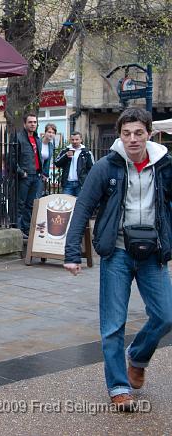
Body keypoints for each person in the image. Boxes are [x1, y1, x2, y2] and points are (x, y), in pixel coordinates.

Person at [64, 108, 172, 411]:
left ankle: (137, 358)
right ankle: (118, 387)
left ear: (148, 133)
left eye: (138, 133)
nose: (133, 139)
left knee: (166, 315)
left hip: (154, 254)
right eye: (127, 134)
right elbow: (83, 207)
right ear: (120, 135)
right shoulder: (106, 166)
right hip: (118, 253)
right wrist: (73, 253)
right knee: (113, 324)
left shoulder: (164, 166)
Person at [9, 112, 42, 237]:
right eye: (30, 122)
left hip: (35, 176)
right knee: (20, 204)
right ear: (24, 124)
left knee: (31, 205)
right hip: (25, 176)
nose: (33, 124)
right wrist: (21, 172)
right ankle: (18, 230)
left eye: (34, 122)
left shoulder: (37, 139)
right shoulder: (18, 137)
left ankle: (27, 230)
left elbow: (38, 158)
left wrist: (41, 173)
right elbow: (12, 159)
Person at [53, 131, 94, 197]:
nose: (74, 141)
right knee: (66, 204)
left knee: (80, 204)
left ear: (81, 140)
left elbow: (91, 168)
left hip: (81, 184)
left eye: (77, 139)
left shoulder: (86, 152)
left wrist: (87, 182)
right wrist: (65, 156)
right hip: (67, 183)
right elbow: (57, 163)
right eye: (73, 139)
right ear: (70, 140)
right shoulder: (65, 150)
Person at [39, 123, 57, 196]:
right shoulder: (38, 142)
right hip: (34, 172)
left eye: (53, 133)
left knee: (39, 195)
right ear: (45, 132)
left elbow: (47, 161)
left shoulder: (51, 146)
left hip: (42, 174)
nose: (51, 134)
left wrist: (45, 174)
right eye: (49, 132)